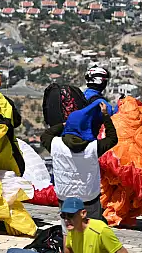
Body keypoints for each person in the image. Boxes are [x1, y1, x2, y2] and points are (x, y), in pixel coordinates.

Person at [50, 89, 118, 220]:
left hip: (64, 197)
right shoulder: (93, 148)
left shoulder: (55, 144)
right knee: (91, 232)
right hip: (88, 198)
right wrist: (105, 116)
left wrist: (63, 125)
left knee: (68, 231)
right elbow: (112, 138)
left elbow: (46, 135)